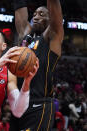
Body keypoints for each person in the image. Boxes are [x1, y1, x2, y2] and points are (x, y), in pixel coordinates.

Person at [9, 0, 64, 130]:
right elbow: (20, 11)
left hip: (40, 104)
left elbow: (56, 17)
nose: (36, 16)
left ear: (50, 18)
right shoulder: (25, 36)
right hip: (18, 103)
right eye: (34, 14)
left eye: (41, 14)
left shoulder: (51, 37)